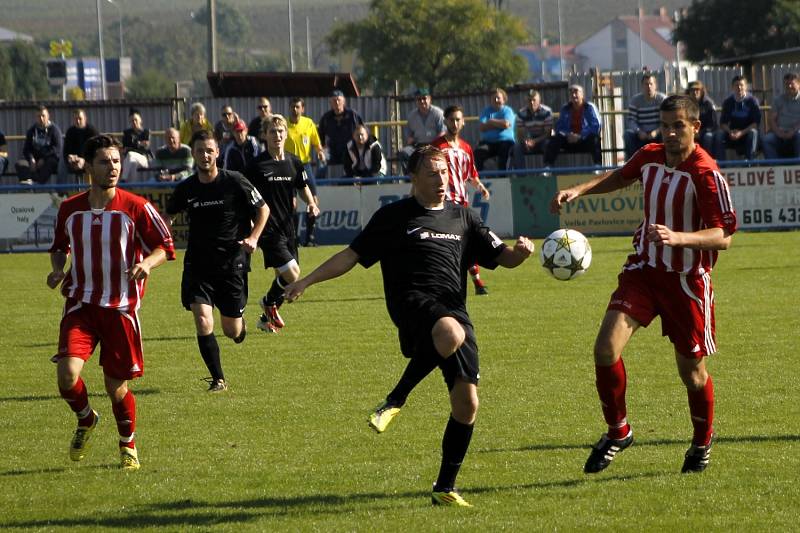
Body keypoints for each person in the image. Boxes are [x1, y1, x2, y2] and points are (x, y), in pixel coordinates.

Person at [284, 145, 535, 507]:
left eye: (445, 172)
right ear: (413, 177)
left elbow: (504, 258)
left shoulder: (463, 218)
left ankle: (445, 488)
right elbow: (350, 256)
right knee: (450, 332)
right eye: (432, 173)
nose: (441, 179)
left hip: (454, 311)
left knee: (467, 404)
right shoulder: (393, 216)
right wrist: (305, 281)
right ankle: (394, 399)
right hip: (413, 305)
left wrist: (521, 253)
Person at [550, 95, 737, 475]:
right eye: (665, 125)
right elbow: (619, 177)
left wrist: (678, 238)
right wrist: (579, 190)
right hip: (644, 271)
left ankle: (701, 443)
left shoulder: (705, 173)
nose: (669, 133)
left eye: (678, 126)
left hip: (687, 283)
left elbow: (723, 235)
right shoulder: (650, 154)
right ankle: (618, 431)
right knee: (605, 348)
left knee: (692, 373)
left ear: (695, 127)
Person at [47, 134, 176, 471]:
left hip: (120, 307)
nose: (113, 167)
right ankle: (86, 418)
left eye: (117, 161)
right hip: (81, 304)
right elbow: (60, 246)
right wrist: (58, 268)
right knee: (66, 376)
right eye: (105, 162)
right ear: (89, 167)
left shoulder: (136, 206)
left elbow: (165, 245)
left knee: (116, 388)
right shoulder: (69, 209)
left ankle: (127, 444)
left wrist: (147, 263)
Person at [166, 130, 269, 392]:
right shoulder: (186, 188)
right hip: (198, 265)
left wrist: (254, 237)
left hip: (231, 263)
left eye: (209, 150)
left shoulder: (234, 181)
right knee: (202, 320)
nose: (204, 155)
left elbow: (263, 208)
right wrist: (157, 238)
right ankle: (218, 379)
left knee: (231, 331)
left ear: (217, 152)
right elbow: (167, 217)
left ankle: (240, 326)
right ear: (194, 154)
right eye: (200, 150)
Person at [245, 115, 319, 333]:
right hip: (267, 229)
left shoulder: (293, 162)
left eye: (280, 131)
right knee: (293, 274)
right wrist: (250, 221)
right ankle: (268, 302)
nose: (277, 135)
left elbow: (302, 186)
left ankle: (265, 321)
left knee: (285, 281)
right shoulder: (256, 166)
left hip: (288, 228)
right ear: (265, 135)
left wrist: (312, 203)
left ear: (286, 134)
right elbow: (244, 193)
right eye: (272, 132)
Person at [285, 97, 326, 246]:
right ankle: (294, 238)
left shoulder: (308, 124)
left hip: (305, 165)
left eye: (297, 107)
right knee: (292, 204)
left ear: (303, 109)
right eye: (292, 107)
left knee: (313, 201)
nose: (294, 110)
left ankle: (309, 238)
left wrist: (320, 152)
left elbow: (316, 142)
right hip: (288, 167)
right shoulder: (283, 124)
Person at [544, 84, 602, 168]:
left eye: (576, 92)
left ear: (582, 94)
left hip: (584, 140)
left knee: (595, 138)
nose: (573, 95)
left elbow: (596, 126)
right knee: (554, 139)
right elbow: (559, 127)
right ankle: (548, 167)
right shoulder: (565, 108)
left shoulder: (589, 107)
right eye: (571, 93)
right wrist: (568, 135)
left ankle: (598, 166)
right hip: (569, 140)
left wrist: (580, 136)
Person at [317, 89, 364, 178]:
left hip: (349, 148)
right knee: (322, 158)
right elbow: (320, 135)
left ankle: (353, 182)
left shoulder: (352, 115)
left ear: (344, 101)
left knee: (356, 161)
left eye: (339, 100)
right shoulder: (326, 118)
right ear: (330, 103)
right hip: (332, 149)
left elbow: (363, 130)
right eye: (334, 100)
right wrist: (323, 148)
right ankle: (319, 186)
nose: (337, 102)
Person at [399, 88, 446, 172]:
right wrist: (410, 140)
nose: (422, 101)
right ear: (416, 101)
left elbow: (442, 133)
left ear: (429, 99)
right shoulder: (411, 116)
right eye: (419, 99)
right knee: (404, 153)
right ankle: (410, 178)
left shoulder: (438, 113)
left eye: (424, 98)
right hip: (418, 146)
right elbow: (409, 136)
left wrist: (432, 145)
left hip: (435, 145)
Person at [716, 75, 761, 161]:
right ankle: (721, 165)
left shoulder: (753, 101)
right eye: (736, 85)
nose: (739, 87)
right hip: (732, 133)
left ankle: (749, 163)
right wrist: (730, 132)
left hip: (747, 132)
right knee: (719, 135)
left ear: (746, 87)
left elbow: (755, 124)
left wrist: (741, 133)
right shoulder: (727, 102)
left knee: (753, 133)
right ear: (732, 87)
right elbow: (723, 123)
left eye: (741, 85)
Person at [16, 105, 63, 185]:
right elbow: (26, 149)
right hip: (34, 160)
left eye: (43, 116)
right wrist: (31, 159)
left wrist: (44, 159)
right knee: (20, 164)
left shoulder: (55, 130)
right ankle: (27, 186)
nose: (41, 118)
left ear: (48, 116)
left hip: (49, 159)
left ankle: (38, 185)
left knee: (50, 162)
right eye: (39, 116)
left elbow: (57, 148)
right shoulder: (31, 130)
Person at [624, 74, 667, 159]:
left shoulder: (662, 99)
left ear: (655, 85)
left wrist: (657, 131)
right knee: (627, 135)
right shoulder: (635, 100)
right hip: (641, 134)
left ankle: (666, 161)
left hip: (658, 133)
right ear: (642, 86)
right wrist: (638, 131)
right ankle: (633, 162)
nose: (648, 87)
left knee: (666, 133)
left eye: (651, 84)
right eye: (646, 84)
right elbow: (631, 120)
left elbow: (667, 120)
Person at [474, 88, 516, 171]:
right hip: (489, 143)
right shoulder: (486, 111)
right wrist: (499, 125)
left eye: (498, 98)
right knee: (478, 153)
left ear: (504, 100)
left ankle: (503, 178)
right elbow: (482, 127)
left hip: (505, 142)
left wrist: (491, 121)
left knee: (504, 153)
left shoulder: (508, 111)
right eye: (494, 98)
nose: (496, 100)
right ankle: (479, 179)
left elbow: (506, 125)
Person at [512, 89, 553, 169]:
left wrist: (534, 141)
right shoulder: (521, 113)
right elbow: (520, 134)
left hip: (543, 139)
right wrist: (526, 141)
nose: (532, 102)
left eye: (534, 100)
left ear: (539, 100)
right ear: (526, 101)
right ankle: (521, 175)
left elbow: (548, 133)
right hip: (529, 138)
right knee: (517, 147)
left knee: (548, 144)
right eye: (529, 100)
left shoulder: (547, 112)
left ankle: (548, 170)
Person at [762, 72, 800, 160]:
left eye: (792, 84)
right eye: (787, 84)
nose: (789, 86)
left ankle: (797, 167)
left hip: (797, 132)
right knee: (766, 140)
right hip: (780, 132)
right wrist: (779, 132)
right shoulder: (778, 100)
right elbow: (772, 119)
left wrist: (793, 131)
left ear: (799, 84)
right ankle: (775, 168)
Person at [63, 109, 100, 177]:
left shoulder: (92, 131)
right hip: (74, 161)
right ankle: (61, 187)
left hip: (89, 161)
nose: (78, 121)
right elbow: (66, 150)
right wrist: (70, 157)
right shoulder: (70, 132)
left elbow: (97, 150)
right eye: (76, 119)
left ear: (85, 119)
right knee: (61, 165)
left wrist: (84, 160)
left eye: (80, 118)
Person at [685, 81, 718, 155]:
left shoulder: (709, 104)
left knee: (708, 137)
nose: (695, 92)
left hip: (706, 131)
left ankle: (707, 160)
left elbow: (713, 124)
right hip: (691, 131)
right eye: (692, 90)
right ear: (689, 92)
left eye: (697, 90)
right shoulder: (684, 105)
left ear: (702, 91)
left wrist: (700, 132)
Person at [121, 109, 152, 182]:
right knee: (132, 163)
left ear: (140, 120)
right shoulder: (127, 133)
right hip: (131, 159)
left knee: (130, 154)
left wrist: (134, 145)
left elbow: (145, 146)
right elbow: (124, 148)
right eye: (132, 121)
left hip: (143, 158)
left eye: (136, 120)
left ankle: (123, 179)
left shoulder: (145, 132)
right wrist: (138, 143)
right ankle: (134, 188)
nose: (134, 122)